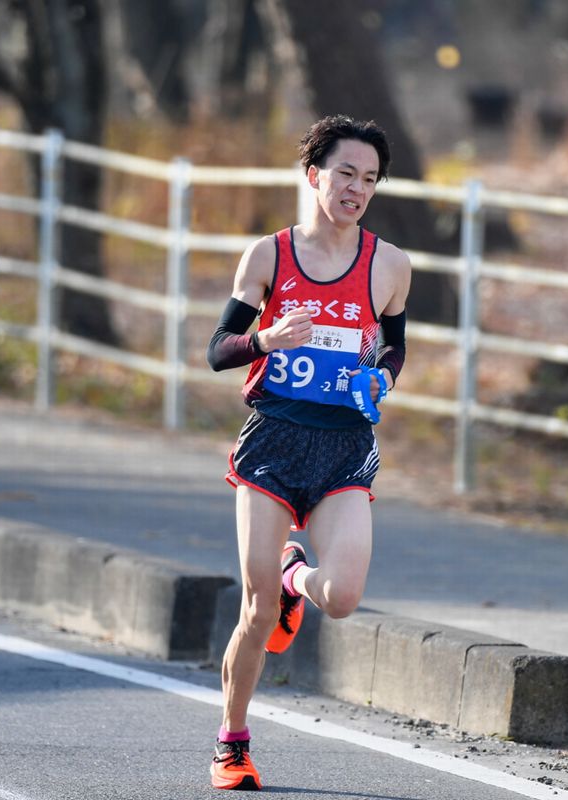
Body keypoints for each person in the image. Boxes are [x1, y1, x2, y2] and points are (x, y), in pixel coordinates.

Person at [205, 114, 411, 790]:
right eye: (345, 173)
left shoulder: (390, 265)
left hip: (345, 447)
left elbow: (394, 346)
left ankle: (299, 575)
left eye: (369, 179)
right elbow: (217, 351)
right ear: (314, 174)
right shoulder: (269, 257)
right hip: (273, 444)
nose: (356, 188)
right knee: (256, 612)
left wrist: (382, 374)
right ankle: (232, 744)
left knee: (345, 597)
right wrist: (267, 341)